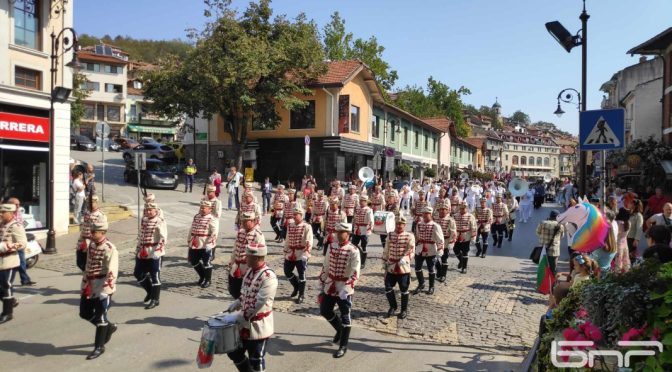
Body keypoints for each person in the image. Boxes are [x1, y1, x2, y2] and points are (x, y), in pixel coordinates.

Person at [225, 242, 278, 372]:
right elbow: (245, 293)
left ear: (257, 258)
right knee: (233, 351)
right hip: (244, 324)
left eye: (248, 256)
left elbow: (257, 303)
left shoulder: (269, 277)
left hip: (257, 326)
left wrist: (238, 317)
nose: (245, 258)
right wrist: (237, 303)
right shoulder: (250, 271)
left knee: (256, 360)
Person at [318, 222, 361, 358]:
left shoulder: (353, 250)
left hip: (344, 287)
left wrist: (347, 288)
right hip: (330, 284)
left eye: (341, 232)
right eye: (337, 232)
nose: (338, 234)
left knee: (345, 316)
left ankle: (343, 346)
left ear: (347, 234)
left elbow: (355, 272)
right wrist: (321, 281)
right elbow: (325, 265)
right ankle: (339, 329)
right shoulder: (331, 246)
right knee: (325, 310)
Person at [79, 221, 119, 359]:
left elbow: (112, 270)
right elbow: (87, 265)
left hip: (103, 285)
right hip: (90, 284)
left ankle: (99, 347)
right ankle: (109, 327)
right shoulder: (91, 245)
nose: (92, 233)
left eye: (94, 232)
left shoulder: (110, 248)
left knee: (101, 316)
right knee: (84, 313)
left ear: (102, 232)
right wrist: (85, 283)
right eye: (92, 231)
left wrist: (106, 289)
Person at [133, 202, 166, 309]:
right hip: (143, 251)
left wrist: (157, 252)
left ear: (156, 211)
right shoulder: (144, 220)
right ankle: (150, 292)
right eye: (147, 210)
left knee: (154, 276)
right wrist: (138, 248)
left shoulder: (159, 221)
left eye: (150, 210)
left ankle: (155, 299)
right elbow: (141, 235)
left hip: (154, 251)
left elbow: (163, 238)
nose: (148, 212)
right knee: (138, 273)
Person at [382, 215, 415, 319]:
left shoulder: (409, 236)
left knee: (404, 289)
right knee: (388, 287)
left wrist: (405, 259)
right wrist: (384, 262)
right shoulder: (390, 235)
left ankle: (404, 310)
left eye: (401, 224)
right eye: (397, 224)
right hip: (391, 266)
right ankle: (393, 306)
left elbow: (411, 250)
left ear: (404, 225)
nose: (399, 226)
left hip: (403, 267)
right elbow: (386, 250)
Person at [0, 203, 27, 324]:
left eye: (3, 212)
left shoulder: (16, 226)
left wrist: (6, 246)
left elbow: (22, 243)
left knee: (7, 285)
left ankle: (7, 312)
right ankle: (12, 301)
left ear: (10, 213)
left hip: (9, 260)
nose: (1, 214)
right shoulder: (1, 224)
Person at [229, 212, 266, 300]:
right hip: (237, 265)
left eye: (247, 221)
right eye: (243, 221)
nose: (244, 223)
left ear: (253, 221)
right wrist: (232, 261)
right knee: (233, 289)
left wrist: (255, 268)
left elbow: (261, 253)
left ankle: (244, 306)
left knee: (245, 290)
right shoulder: (240, 232)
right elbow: (235, 248)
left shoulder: (258, 235)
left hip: (248, 266)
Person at [284, 205, 313, 304]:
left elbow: (309, 241)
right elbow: (287, 239)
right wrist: (285, 250)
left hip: (301, 253)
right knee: (287, 271)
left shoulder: (307, 226)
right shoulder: (290, 225)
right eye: (294, 214)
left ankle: (301, 294)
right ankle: (296, 286)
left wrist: (306, 253)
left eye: (297, 214)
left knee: (302, 274)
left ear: (302, 215)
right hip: (291, 252)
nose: (294, 216)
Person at [412, 206, 444, 295]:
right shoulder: (419, 224)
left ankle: (431, 286)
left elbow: (440, 239)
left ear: (431, 214)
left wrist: (440, 250)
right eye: (424, 214)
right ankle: (421, 283)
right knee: (417, 268)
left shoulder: (435, 226)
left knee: (431, 269)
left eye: (427, 214)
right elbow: (417, 236)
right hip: (420, 249)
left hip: (431, 249)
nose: (425, 215)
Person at [187, 200, 218, 288]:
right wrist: (189, 238)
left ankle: (208, 280)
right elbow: (192, 227)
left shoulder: (211, 218)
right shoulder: (196, 216)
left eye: (204, 208)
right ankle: (202, 276)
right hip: (195, 242)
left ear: (209, 209)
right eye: (201, 207)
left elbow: (214, 232)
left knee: (206, 262)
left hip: (205, 243)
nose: (202, 209)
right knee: (193, 261)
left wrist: (210, 243)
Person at [7, 198, 35, 286]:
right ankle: (22, 280)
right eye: (16, 204)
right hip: (11, 242)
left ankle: (24, 279)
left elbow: (21, 223)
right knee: (18, 262)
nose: (18, 206)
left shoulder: (18, 213)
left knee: (20, 262)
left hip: (19, 241)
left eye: (18, 204)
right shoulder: (7, 215)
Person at [535, 210, 565, 275]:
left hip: (542, 249)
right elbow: (561, 236)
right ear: (557, 216)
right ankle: (552, 283)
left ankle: (542, 283)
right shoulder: (560, 225)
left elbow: (537, 233)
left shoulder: (542, 223)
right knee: (553, 268)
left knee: (543, 268)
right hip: (554, 250)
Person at [435, 199, 457, 282]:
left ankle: (443, 275)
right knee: (435, 258)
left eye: (444, 210)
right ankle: (439, 271)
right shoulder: (435, 219)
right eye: (441, 209)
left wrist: (451, 242)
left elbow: (453, 232)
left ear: (447, 211)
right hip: (436, 242)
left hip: (446, 241)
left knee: (444, 258)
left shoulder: (450, 220)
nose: (442, 211)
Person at [351, 195, 373, 269]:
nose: (361, 202)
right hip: (357, 228)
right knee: (354, 244)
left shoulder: (368, 210)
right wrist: (353, 227)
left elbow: (371, 221)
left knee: (364, 246)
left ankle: (363, 262)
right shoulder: (357, 208)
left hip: (364, 229)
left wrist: (368, 229)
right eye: (360, 201)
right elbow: (354, 218)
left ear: (366, 202)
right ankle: (356, 257)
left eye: (363, 201)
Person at [612, 208, 632, 273]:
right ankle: (626, 272)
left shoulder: (617, 223)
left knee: (618, 260)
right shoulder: (628, 223)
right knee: (625, 259)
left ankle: (617, 273)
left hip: (617, 243)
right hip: (625, 243)